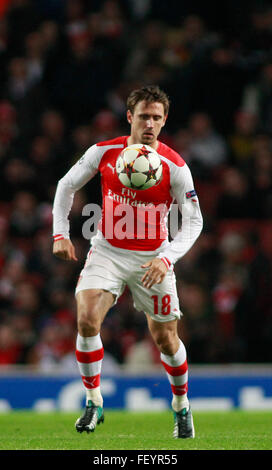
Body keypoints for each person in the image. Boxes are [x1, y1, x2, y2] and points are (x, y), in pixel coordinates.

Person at [52, 85, 203, 439]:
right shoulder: (103, 151)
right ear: (129, 117)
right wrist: (61, 234)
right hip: (108, 251)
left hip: (153, 258)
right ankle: (93, 402)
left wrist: (166, 258)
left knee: (165, 339)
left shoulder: (174, 166)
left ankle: (181, 405)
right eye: (143, 116)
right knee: (87, 319)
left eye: (156, 117)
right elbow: (65, 186)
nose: (149, 123)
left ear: (164, 120)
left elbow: (195, 220)